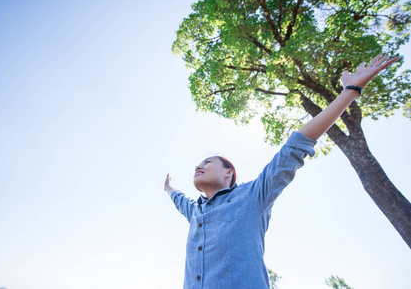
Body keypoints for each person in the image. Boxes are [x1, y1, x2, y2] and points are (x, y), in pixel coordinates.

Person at [164, 55, 399, 289]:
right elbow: (179, 199)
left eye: (208, 162)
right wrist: (168, 188)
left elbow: (295, 146)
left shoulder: (253, 195)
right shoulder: (195, 212)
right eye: (199, 163)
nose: (199, 166)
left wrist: (351, 90)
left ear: (229, 173)